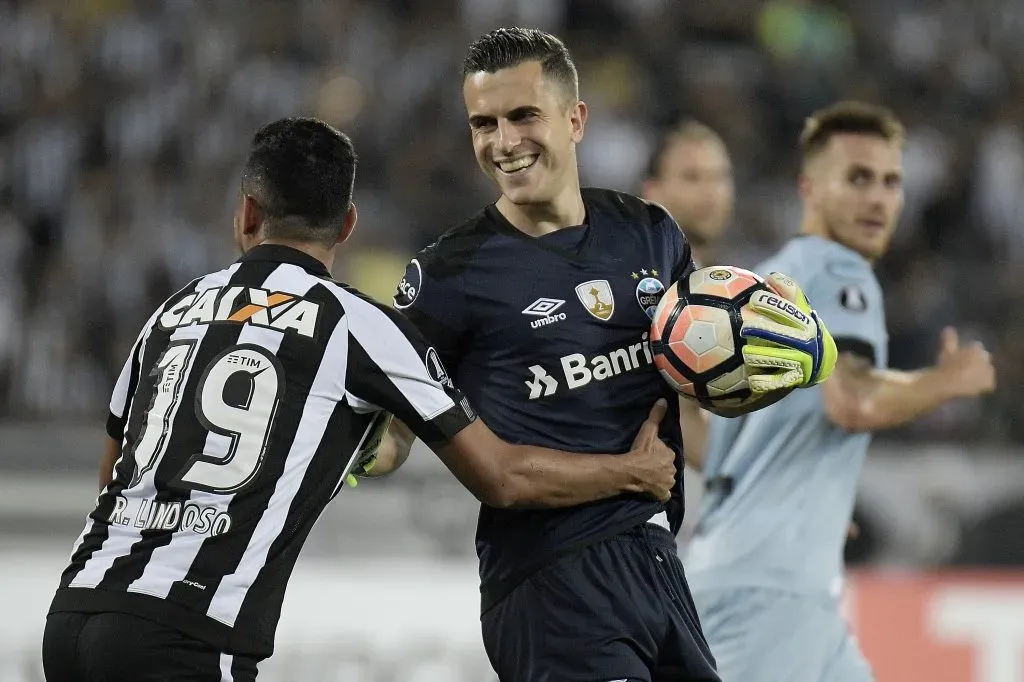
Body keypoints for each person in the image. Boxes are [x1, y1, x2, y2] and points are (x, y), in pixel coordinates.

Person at [40, 117, 682, 682]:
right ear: (347, 224)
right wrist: (632, 472)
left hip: (73, 612)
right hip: (188, 631)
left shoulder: (172, 312)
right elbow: (502, 477)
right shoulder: (357, 324)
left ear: (246, 214)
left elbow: (115, 475)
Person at [392, 28, 836, 682]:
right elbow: (392, 429)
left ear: (576, 120)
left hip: (658, 560)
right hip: (553, 580)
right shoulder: (448, 276)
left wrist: (772, 363)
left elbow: (689, 390)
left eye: (522, 116)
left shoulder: (649, 233)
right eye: (482, 124)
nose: (503, 142)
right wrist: (357, 451)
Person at [684, 100, 997, 682]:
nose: (878, 198)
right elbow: (852, 401)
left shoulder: (768, 286)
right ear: (809, 187)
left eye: (890, 182)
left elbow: (727, 439)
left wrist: (818, 489)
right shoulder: (837, 272)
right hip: (771, 590)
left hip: (767, 577)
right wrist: (944, 382)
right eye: (857, 179)